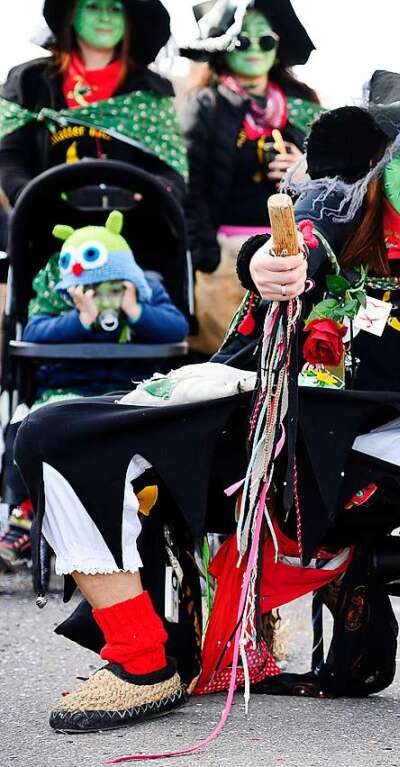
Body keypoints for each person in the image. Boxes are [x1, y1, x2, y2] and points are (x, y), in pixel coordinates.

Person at [13, 71, 400, 739]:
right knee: (50, 432)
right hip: (254, 420)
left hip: (369, 442)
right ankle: (138, 657)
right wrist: (265, 266)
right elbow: (291, 244)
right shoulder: (334, 206)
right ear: (381, 159)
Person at [0, 212, 188, 570]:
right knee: (26, 429)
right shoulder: (57, 295)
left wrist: (136, 310)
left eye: (113, 287)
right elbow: (35, 332)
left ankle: (152, 518)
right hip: (66, 389)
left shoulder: (144, 289)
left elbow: (177, 329)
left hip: (127, 388)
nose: (104, 296)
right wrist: (80, 319)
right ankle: (25, 513)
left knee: (155, 431)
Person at [179, 0, 324, 355]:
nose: (255, 50)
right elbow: (189, 186)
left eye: (266, 41)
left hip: (296, 253)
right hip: (226, 259)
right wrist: (205, 260)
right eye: (243, 41)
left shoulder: (304, 105)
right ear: (224, 49)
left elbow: (340, 181)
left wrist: (305, 165)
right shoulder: (205, 104)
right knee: (232, 363)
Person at [0, 0, 185, 205]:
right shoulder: (30, 82)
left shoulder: (150, 91)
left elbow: (170, 170)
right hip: (44, 222)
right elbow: (9, 157)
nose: (105, 17)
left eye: (115, 9)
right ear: (71, 14)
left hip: (129, 226)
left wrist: (153, 193)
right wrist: (30, 196)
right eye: (93, 6)